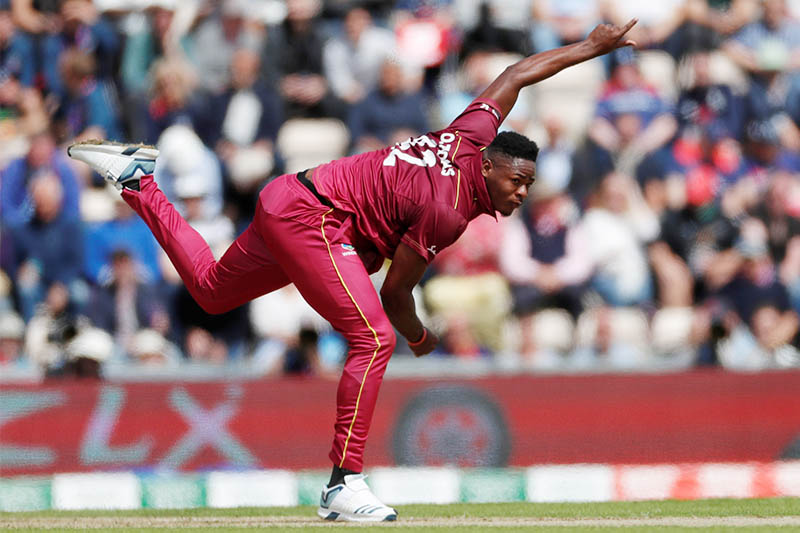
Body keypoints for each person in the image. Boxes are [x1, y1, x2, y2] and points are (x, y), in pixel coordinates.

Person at [67, 19, 638, 522]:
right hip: (311, 219)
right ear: (486, 168)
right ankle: (344, 482)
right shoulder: (447, 211)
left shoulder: (471, 134)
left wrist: (591, 46)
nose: (521, 193)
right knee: (374, 338)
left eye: (530, 184)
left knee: (214, 292)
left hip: (293, 198)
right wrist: (421, 335)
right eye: (516, 180)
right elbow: (394, 295)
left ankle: (138, 181)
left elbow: (517, 72)